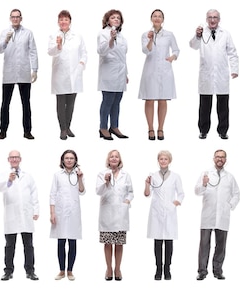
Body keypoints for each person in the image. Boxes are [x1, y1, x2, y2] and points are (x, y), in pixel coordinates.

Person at [190, 9, 239, 140]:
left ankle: (223, 131)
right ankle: (203, 130)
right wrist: (197, 36)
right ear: (206, 19)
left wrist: (234, 69)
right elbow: (193, 46)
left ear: (219, 19)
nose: (212, 20)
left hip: (221, 74)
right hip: (206, 75)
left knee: (223, 106)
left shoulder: (226, 34)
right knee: (204, 106)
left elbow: (232, 52)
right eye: (210, 17)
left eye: (215, 17)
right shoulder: (201, 33)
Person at [194, 149, 240, 280]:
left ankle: (218, 270)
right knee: (204, 244)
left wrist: (230, 205)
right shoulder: (206, 173)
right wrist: (203, 183)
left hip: (223, 215)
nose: (220, 159)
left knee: (221, 244)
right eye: (218, 157)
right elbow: (197, 191)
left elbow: (236, 194)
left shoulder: (230, 177)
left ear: (226, 159)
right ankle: (202, 271)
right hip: (208, 214)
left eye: (223, 157)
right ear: (213, 158)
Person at [0, 150, 40, 281]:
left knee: (29, 245)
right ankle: (8, 271)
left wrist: (36, 210)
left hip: (26, 214)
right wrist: (9, 180)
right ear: (8, 159)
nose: (14, 159)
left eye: (16, 157)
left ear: (20, 159)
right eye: (12, 157)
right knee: (9, 245)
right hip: (11, 215)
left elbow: (34, 193)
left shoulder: (28, 176)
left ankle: (30, 271)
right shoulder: (4, 174)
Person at [0, 9, 38, 140]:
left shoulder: (28, 33)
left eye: (17, 17)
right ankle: (3, 130)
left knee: (26, 103)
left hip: (24, 72)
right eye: (13, 17)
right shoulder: (4, 32)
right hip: (9, 72)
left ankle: (27, 131)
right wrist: (5, 41)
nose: (15, 19)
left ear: (21, 18)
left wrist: (35, 69)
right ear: (10, 18)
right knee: (5, 103)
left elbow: (33, 51)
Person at [139, 9, 179, 141]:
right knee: (149, 99)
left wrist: (173, 57)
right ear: (151, 19)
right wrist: (150, 39)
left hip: (165, 70)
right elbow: (145, 50)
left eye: (159, 16)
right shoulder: (146, 34)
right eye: (154, 16)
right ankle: (150, 128)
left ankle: (160, 128)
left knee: (163, 99)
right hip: (150, 70)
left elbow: (176, 49)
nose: (157, 18)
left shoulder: (169, 34)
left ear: (163, 19)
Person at [144, 150, 184, 280]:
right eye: (161, 159)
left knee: (168, 241)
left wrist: (177, 203)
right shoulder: (153, 176)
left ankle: (167, 269)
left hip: (170, 211)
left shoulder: (176, 176)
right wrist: (147, 184)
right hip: (156, 211)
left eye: (165, 159)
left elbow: (181, 193)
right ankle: (158, 269)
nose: (163, 161)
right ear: (158, 160)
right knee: (157, 241)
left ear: (169, 161)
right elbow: (147, 194)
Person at [48, 10, 88, 140]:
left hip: (75, 74)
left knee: (71, 103)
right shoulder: (54, 35)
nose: (63, 22)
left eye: (65, 19)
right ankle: (63, 129)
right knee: (61, 103)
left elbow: (84, 52)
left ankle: (68, 126)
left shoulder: (78, 36)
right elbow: (50, 52)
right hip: (60, 74)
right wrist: (58, 45)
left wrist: (81, 64)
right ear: (58, 22)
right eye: (61, 19)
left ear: (70, 21)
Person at [96, 150, 133, 281]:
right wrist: (106, 182)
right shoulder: (102, 174)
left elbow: (130, 192)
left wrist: (127, 200)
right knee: (107, 243)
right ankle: (108, 269)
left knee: (119, 243)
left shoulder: (125, 174)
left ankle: (118, 269)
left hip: (121, 213)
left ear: (119, 160)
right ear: (108, 159)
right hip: (107, 213)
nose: (114, 158)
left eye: (116, 156)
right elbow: (98, 192)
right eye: (111, 156)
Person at [50, 149, 86, 281]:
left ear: (75, 160)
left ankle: (70, 271)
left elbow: (82, 191)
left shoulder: (78, 174)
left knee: (72, 241)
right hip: (60, 212)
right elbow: (52, 194)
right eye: (67, 158)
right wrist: (52, 212)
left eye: (71, 158)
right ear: (62, 160)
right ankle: (61, 271)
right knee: (60, 242)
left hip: (73, 213)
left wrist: (80, 178)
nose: (69, 160)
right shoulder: (57, 175)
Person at [98, 9, 129, 140]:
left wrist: (126, 74)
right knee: (108, 101)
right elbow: (102, 51)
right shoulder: (103, 34)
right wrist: (111, 39)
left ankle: (114, 126)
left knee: (117, 102)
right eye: (113, 17)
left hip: (120, 73)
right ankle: (103, 128)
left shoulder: (122, 36)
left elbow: (123, 57)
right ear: (107, 20)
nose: (116, 19)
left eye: (118, 18)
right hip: (108, 72)